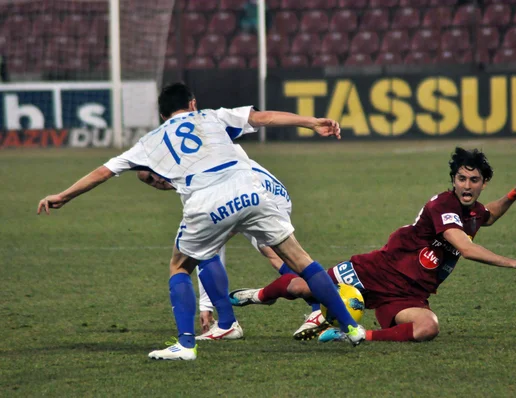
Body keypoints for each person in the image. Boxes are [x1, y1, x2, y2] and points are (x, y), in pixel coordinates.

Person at [37, 82, 366, 361]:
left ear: (163, 115)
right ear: (191, 104)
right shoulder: (210, 116)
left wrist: (64, 195)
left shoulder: (149, 141)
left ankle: (186, 344)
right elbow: (262, 117)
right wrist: (311, 123)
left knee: (180, 266)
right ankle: (352, 328)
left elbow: (103, 172)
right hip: (250, 187)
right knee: (300, 258)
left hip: (207, 198)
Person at [230, 147, 516, 343]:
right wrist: (511, 262)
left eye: (474, 180)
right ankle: (257, 296)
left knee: (427, 327)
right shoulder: (443, 206)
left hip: (409, 294)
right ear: (453, 179)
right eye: (462, 179)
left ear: (483, 182)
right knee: (304, 287)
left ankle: (353, 335)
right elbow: (464, 247)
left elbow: (488, 215)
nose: (467, 185)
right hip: (377, 271)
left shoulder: (474, 212)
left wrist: (515, 193)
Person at [137, 144, 324, 339]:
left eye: (154, 173)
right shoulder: (189, 164)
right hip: (265, 187)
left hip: (254, 190)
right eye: (149, 180)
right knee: (276, 255)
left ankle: (228, 323)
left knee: (202, 246)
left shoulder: (192, 177)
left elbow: (210, 245)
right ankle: (320, 307)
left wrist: (206, 305)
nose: (156, 180)